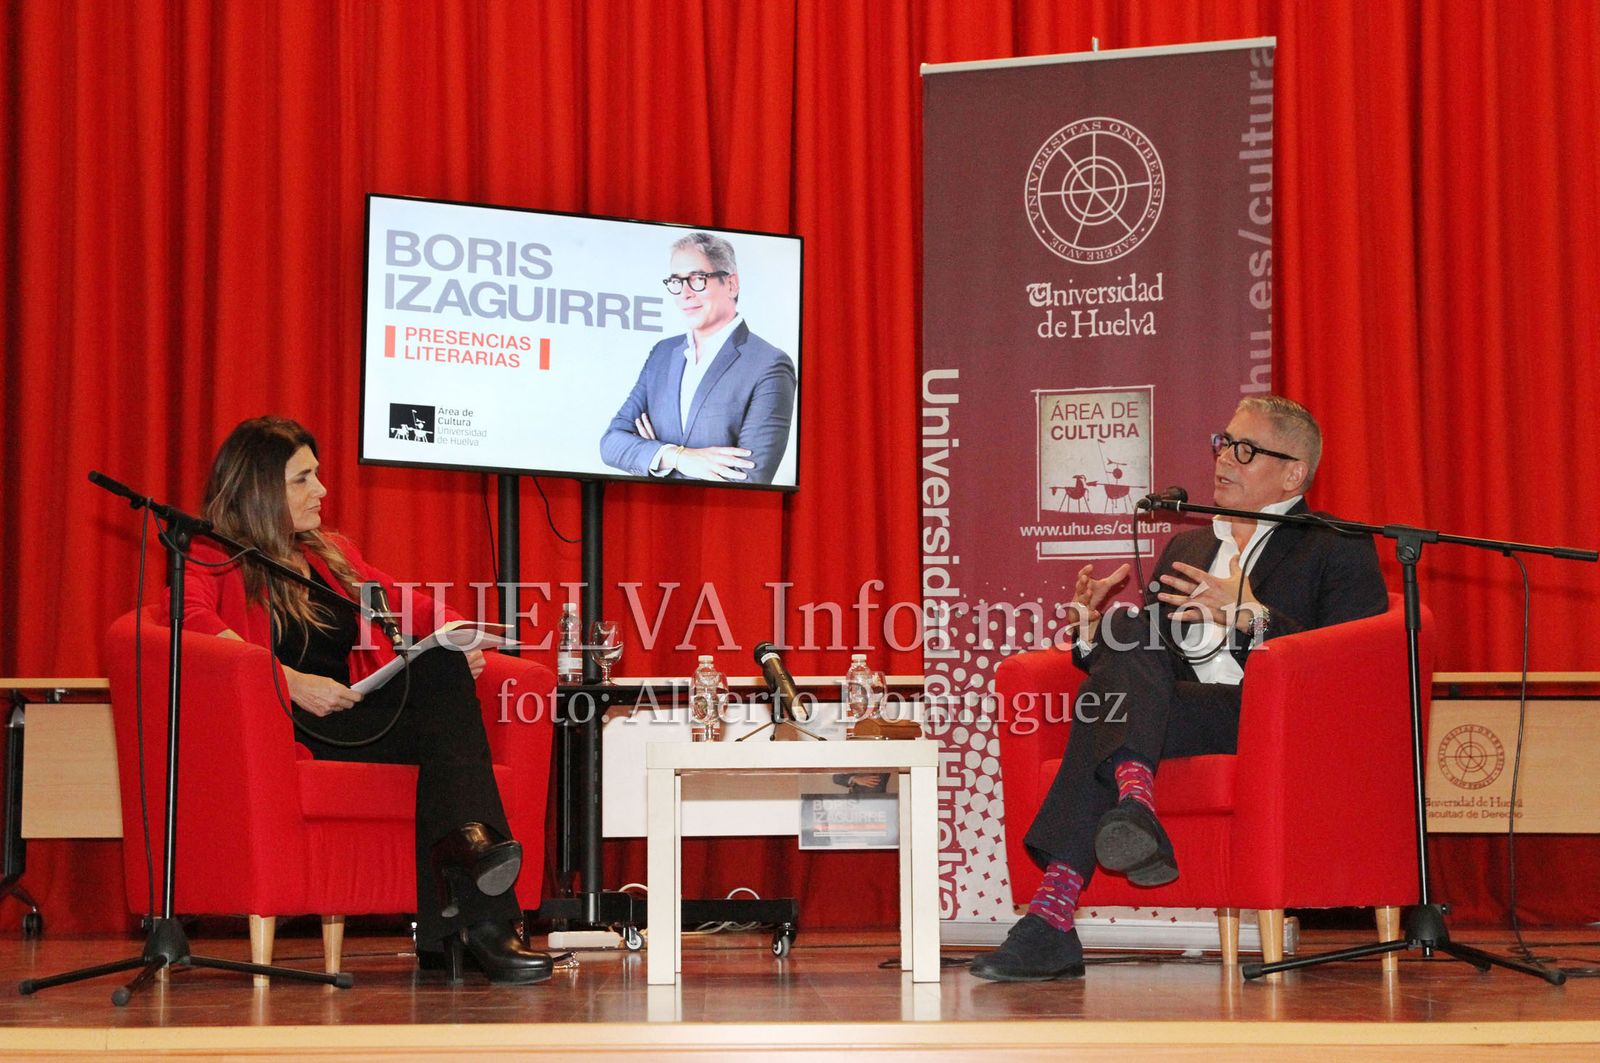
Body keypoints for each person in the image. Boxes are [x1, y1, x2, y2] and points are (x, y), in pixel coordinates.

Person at [971, 395, 1387, 981]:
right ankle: (1132, 803)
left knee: (1105, 704)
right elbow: (1146, 659)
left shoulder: (1336, 544)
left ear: (1294, 472)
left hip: (1264, 716)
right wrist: (1092, 634)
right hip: (1180, 706)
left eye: (1245, 450)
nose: (1224, 460)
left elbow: (1351, 662)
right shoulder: (1190, 546)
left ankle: (1053, 917)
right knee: (1120, 641)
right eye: (1223, 443)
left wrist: (1251, 615)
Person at [185, 416, 553, 985]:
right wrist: (286, 680)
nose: (322, 490)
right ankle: (479, 920)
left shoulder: (328, 557)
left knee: (442, 669)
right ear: (261, 489)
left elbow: (415, 606)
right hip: (285, 727)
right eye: (303, 478)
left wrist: (458, 636)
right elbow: (193, 626)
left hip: (350, 717)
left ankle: (465, 898)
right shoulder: (213, 555)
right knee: (446, 711)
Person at [599, 231, 796, 484]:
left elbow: (751, 478)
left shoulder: (769, 364)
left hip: (718, 519)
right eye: (676, 281)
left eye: (697, 279)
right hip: (653, 512)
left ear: (731, 284)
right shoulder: (662, 354)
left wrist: (652, 452)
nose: (684, 293)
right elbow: (612, 442)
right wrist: (677, 456)